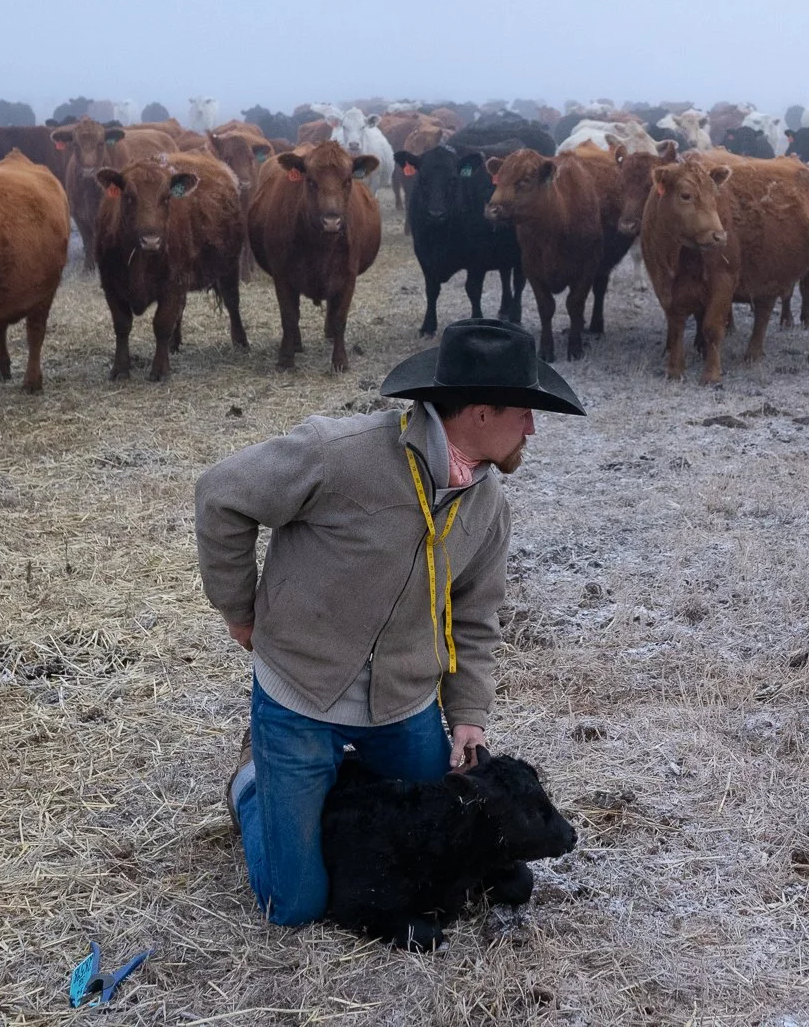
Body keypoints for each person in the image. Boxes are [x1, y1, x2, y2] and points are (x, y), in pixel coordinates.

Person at [194, 317, 585, 925]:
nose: (533, 426)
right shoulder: (339, 455)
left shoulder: (488, 505)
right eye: (524, 411)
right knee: (292, 906)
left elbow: (474, 619)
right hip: (298, 694)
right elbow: (221, 493)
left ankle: (335, 781)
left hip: (402, 707)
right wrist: (239, 608)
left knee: (445, 839)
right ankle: (254, 782)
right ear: (479, 413)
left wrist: (468, 717)